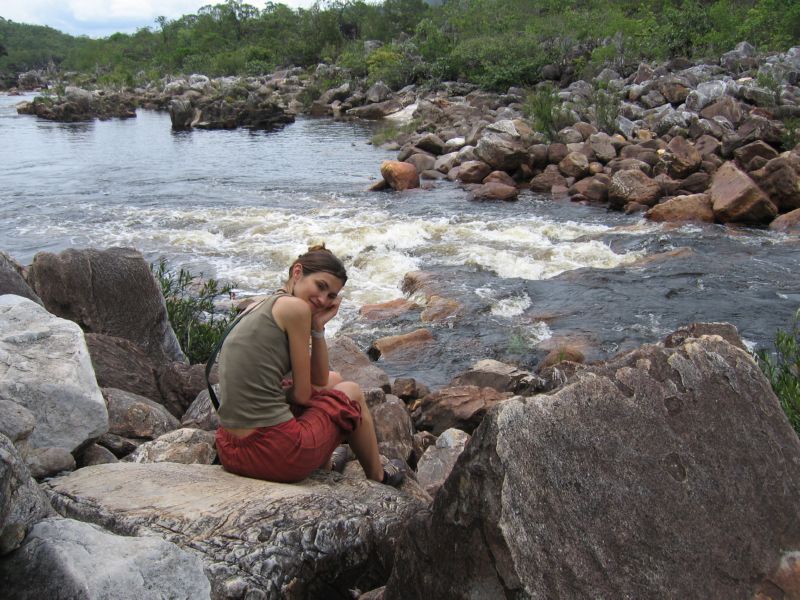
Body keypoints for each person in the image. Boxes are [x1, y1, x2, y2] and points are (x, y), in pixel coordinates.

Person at [214, 244, 404, 487]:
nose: (323, 300)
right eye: (320, 286)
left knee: (334, 380)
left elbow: (320, 378)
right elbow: (303, 395)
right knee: (352, 393)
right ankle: (378, 476)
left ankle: (324, 466)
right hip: (272, 455)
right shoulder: (296, 309)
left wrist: (318, 328)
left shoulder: (264, 303)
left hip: (231, 449)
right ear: (297, 272)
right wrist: (292, 393)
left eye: (332, 296)